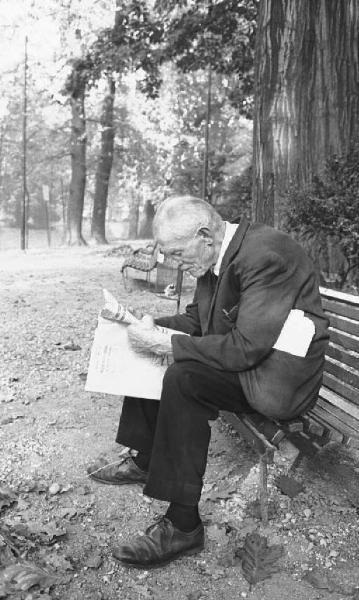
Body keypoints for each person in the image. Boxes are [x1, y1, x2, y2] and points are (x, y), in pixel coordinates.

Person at [87, 195, 329, 569]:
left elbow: (246, 348)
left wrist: (167, 343)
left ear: (204, 235)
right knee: (154, 350)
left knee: (184, 376)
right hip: (250, 363)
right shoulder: (213, 257)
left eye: (176, 252)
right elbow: (197, 325)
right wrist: (146, 325)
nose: (172, 262)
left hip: (277, 381)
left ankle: (183, 526)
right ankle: (146, 459)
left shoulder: (266, 255)